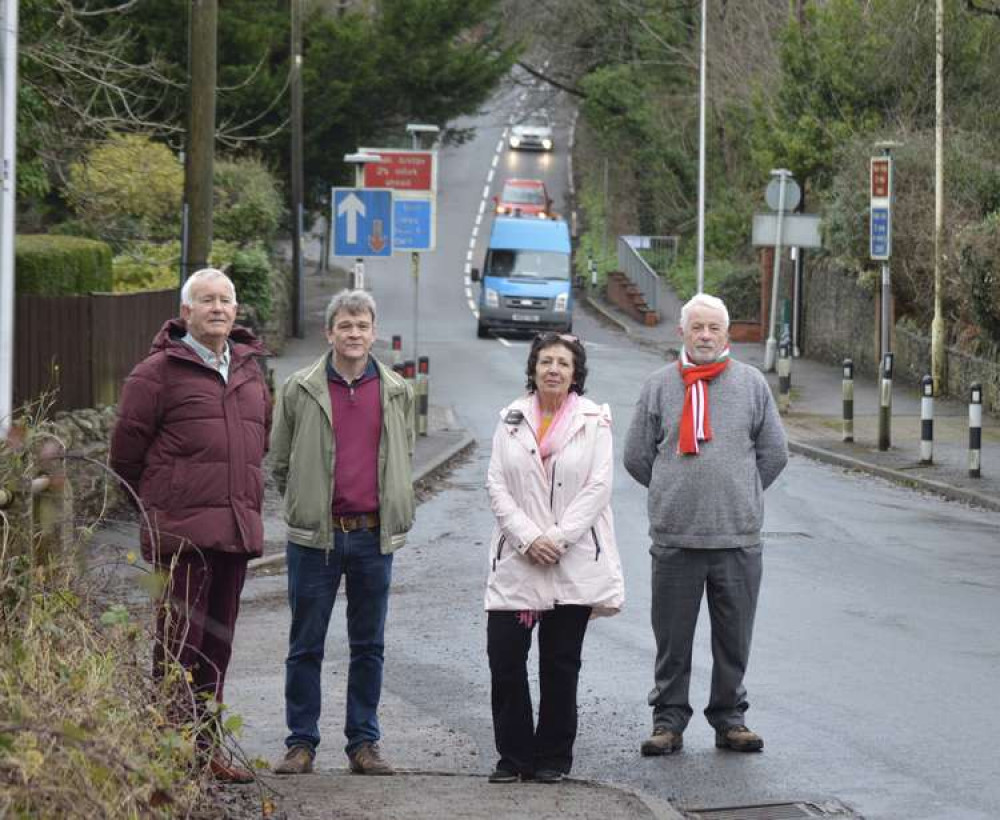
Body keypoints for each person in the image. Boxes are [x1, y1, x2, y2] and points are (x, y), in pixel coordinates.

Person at [110, 267, 272, 783]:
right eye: (207, 300)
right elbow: (125, 459)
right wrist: (163, 507)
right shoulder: (155, 374)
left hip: (233, 530)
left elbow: (256, 444)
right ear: (186, 312)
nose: (218, 308)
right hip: (180, 535)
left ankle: (205, 750)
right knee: (178, 644)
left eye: (226, 300)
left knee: (218, 647)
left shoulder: (249, 371)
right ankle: (170, 751)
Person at [624, 293, 787, 757]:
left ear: (727, 334)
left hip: (737, 537)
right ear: (682, 333)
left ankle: (730, 719)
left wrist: (741, 493)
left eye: (714, 328)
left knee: (733, 637)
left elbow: (774, 453)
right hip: (675, 538)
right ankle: (668, 721)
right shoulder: (659, 386)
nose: (705, 336)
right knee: (672, 639)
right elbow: (636, 456)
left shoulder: (752, 384)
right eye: (697, 327)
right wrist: (671, 491)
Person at [269, 289, 415, 777]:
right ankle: (301, 743)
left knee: (368, 645)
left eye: (362, 325)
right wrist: (307, 505)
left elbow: (403, 455)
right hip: (316, 538)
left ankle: (363, 743)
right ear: (329, 332)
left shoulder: (396, 390)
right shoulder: (299, 388)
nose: (354, 334)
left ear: (373, 332)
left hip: (373, 537)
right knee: (305, 643)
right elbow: (281, 463)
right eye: (345, 326)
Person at [484, 332, 625, 784]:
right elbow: (496, 486)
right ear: (533, 368)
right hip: (519, 560)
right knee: (505, 660)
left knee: (560, 665)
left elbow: (599, 487)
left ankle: (552, 758)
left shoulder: (594, 420)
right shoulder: (510, 418)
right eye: (546, 362)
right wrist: (529, 538)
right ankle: (514, 756)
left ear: (575, 373)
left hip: (573, 558)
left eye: (563, 364)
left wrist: (558, 539)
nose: (553, 370)